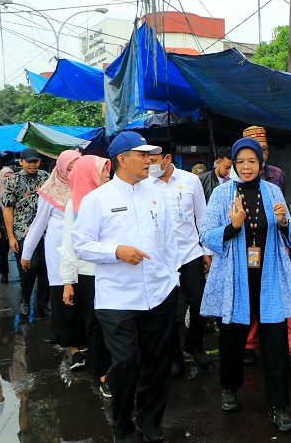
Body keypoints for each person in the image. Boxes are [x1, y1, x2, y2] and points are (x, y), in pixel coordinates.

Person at [71, 132, 179, 443]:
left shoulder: (158, 194)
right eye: (142, 155)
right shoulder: (97, 200)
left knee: (158, 364)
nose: (149, 160)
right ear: (122, 159)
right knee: (127, 361)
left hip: (159, 293)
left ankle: (149, 422)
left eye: (150, 155)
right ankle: (123, 427)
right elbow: (81, 245)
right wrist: (115, 251)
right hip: (117, 298)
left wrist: (173, 277)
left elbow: (169, 239)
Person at [200, 137, 291, 433]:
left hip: (269, 275)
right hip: (235, 277)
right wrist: (233, 226)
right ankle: (230, 388)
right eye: (241, 162)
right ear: (233, 164)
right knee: (232, 337)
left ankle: (279, 406)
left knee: (275, 341)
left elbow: (290, 233)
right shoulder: (221, 195)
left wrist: (284, 222)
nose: (247, 167)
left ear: (262, 164)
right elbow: (206, 236)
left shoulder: (273, 191)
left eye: (253, 161)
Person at [240, 125, 291, 368]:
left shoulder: (276, 176)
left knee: (285, 295)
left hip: (274, 246)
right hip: (245, 248)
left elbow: (280, 211)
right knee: (250, 295)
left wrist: (283, 227)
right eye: (252, 153)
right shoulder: (231, 182)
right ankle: (248, 345)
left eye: (263, 150)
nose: (259, 156)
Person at [146, 147, 213, 376]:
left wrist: (207, 251)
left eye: (153, 160)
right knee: (167, 308)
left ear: (167, 159)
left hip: (189, 252)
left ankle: (194, 344)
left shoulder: (190, 180)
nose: (149, 164)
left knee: (198, 302)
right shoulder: (145, 184)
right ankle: (174, 356)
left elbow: (202, 217)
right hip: (161, 257)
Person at [21, 149, 84, 365]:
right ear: (61, 168)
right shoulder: (50, 191)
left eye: (77, 166)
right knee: (63, 293)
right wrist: (26, 253)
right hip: (58, 247)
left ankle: (84, 337)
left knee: (83, 292)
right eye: (70, 167)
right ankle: (71, 343)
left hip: (83, 249)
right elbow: (38, 224)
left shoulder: (87, 186)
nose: (73, 171)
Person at [60, 155, 114, 398]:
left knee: (117, 320)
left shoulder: (113, 197)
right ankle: (103, 373)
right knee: (94, 323)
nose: (107, 176)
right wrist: (68, 283)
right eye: (103, 172)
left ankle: (119, 367)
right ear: (89, 174)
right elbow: (68, 245)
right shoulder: (75, 204)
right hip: (88, 273)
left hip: (114, 268)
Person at [1, 147, 50, 316]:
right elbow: (7, 209)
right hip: (22, 232)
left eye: (35, 161)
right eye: (29, 161)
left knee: (46, 267)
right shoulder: (12, 180)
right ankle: (25, 299)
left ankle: (42, 305)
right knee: (30, 265)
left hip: (45, 231)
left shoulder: (46, 177)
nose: (32, 164)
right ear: (21, 162)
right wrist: (11, 237)